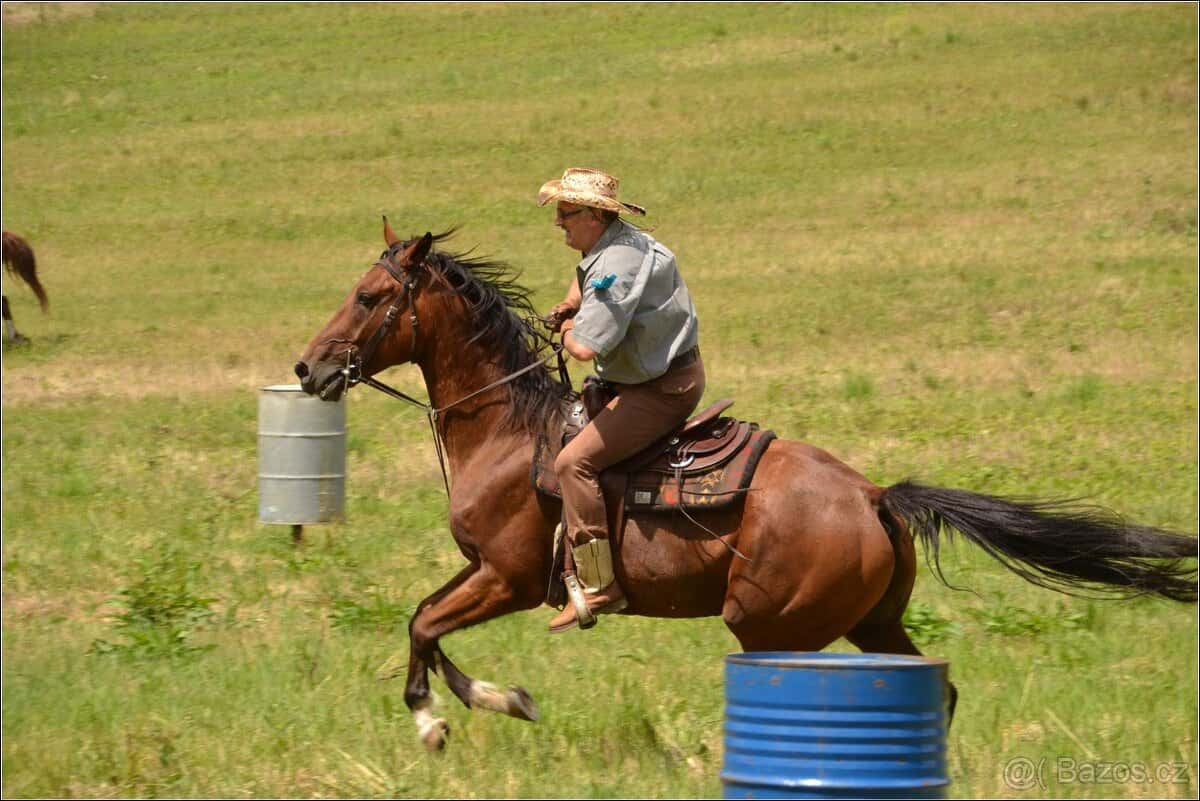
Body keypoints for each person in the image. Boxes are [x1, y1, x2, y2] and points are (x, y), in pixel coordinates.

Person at [537, 167, 705, 633]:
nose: (558, 221)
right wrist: (570, 305)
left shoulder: (617, 266)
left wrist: (566, 328)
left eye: (566, 213)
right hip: (648, 377)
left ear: (594, 216)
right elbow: (584, 280)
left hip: (661, 390)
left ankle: (599, 584)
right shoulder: (614, 242)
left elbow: (584, 349)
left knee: (574, 463)